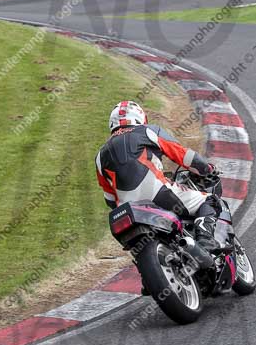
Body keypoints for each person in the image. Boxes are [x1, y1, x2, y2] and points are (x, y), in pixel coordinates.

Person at [95, 100, 222, 252]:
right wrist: (206, 169)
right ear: (141, 118)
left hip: (126, 210)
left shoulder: (99, 156)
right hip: (158, 194)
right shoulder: (148, 131)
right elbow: (184, 156)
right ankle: (206, 240)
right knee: (208, 201)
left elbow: (109, 198)